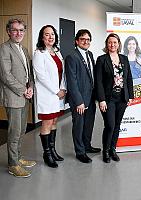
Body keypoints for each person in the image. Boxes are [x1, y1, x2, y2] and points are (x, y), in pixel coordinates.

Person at [0, 18, 36, 177]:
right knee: (14, 132)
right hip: (14, 97)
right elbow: (5, 75)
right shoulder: (4, 48)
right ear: (8, 31)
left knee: (21, 130)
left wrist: (31, 88)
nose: (18, 33)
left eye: (21, 30)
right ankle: (13, 165)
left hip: (24, 95)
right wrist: (23, 90)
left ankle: (18, 157)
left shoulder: (24, 49)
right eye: (15, 30)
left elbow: (29, 73)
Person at [94, 33, 134, 163]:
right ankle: (105, 151)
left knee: (117, 125)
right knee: (110, 125)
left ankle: (113, 149)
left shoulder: (124, 58)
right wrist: (101, 99)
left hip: (122, 98)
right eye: (110, 42)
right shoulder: (101, 59)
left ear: (118, 44)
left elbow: (128, 78)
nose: (112, 45)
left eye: (115, 42)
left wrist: (131, 96)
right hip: (108, 98)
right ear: (107, 44)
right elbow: (98, 81)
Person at [65, 29, 101, 164]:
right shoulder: (72, 57)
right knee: (79, 125)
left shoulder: (90, 54)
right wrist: (79, 101)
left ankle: (87, 145)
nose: (86, 41)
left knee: (89, 123)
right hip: (79, 99)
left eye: (88, 39)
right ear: (77, 41)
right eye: (82, 39)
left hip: (91, 97)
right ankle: (80, 152)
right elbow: (72, 81)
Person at [33, 25, 66, 168]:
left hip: (59, 93)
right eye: (47, 34)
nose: (50, 37)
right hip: (48, 95)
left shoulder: (57, 52)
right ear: (42, 37)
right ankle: (47, 154)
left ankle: (53, 150)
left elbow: (63, 72)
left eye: (52, 34)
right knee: (47, 123)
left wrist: (63, 88)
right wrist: (56, 91)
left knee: (54, 122)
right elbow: (41, 77)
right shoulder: (39, 54)